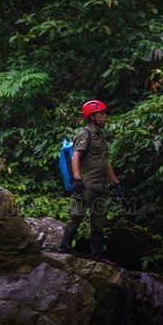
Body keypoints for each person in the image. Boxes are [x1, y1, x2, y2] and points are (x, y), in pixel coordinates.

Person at [58, 100, 125, 264]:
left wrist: (116, 184)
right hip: (87, 185)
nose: (105, 117)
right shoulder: (85, 134)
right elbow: (76, 156)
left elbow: (105, 162)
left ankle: (98, 256)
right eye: (102, 114)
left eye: (105, 113)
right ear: (93, 117)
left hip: (101, 187)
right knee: (76, 217)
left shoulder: (101, 135)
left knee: (98, 223)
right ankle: (63, 250)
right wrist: (78, 179)